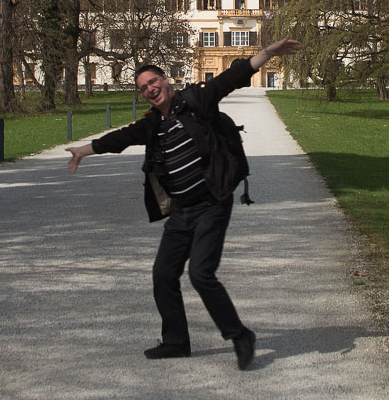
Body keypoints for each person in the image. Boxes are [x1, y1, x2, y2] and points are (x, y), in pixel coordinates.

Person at [66, 39, 302, 369]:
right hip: (181, 211)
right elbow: (119, 139)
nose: (150, 89)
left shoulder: (197, 101)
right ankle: (176, 341)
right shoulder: (153, 124)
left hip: (211, 203)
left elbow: (231, 78)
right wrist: (84, 150)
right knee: (163, 274)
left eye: (154, 82)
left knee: (201, 273)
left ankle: (239, 335)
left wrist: (268, 54)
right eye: (144, 87)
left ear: (167, 81)